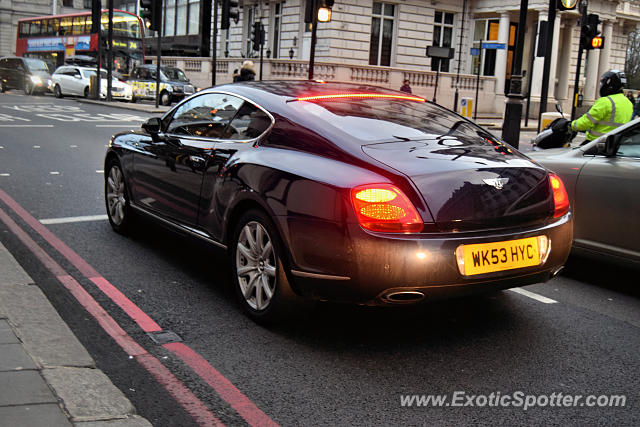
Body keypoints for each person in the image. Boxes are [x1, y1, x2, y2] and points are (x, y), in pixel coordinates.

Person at [553, 70, 633, 143]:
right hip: (613, 145)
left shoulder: (606, 101)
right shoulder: (628, 103)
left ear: (609, 84)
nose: (601, 86)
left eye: (602, 83)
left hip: (595, 144)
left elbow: (586, 122)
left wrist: (570, 125)